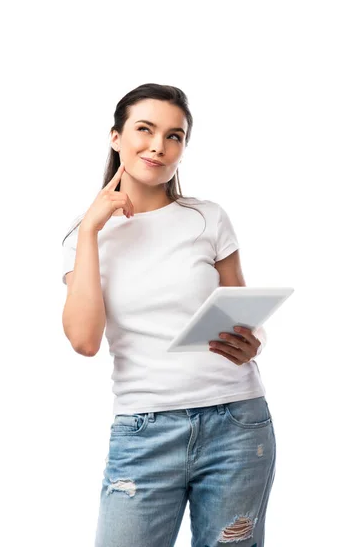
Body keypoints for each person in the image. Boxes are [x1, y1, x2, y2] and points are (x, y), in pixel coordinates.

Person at [61, 83, 276, 547]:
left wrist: (254, 339)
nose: (158, 145)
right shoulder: (86, 238)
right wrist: (90, 231)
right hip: (144, 430)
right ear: (116, 136)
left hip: (236, 423)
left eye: (174, 135)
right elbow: (84, 340)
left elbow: (241, 311)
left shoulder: (208, 218)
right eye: (145, 129)